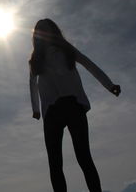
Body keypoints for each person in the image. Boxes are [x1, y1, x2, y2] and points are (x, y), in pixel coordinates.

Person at [29, 19, 121, 192]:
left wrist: (109, 85)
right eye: (39, 31)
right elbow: (32, 83)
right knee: (55, 163)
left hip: (73, 106)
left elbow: (88, 64)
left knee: (84, 157)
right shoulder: (35, 59)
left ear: (53, 31)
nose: (43, 34)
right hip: (52, 111)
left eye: (46, 30)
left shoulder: (67, 49)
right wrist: (35, 109)